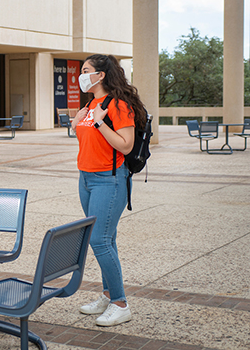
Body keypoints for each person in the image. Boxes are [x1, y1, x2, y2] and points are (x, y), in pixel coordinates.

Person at [71, 54, 145, 327]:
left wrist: (100, 122)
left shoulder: (117, 105)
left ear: (100, 75)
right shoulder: (91, 104)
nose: (81, 76)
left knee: (99, 241)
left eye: (86, 70)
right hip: (86, 178)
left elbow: (125, 145)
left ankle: (120, 303)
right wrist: (77, 122)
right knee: (105, 239)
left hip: (109, 179)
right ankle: (107, 294)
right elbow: (87, 141)